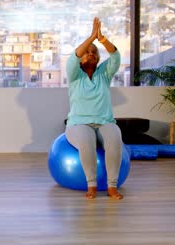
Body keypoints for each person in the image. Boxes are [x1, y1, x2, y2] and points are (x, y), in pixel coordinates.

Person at [65, 17, 124, 200]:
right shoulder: (74, 75)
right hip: (78, 123)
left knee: (115, 139)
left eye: (94, 52)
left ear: (98, 58)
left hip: (105, 122)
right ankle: (91, 185)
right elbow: (74, 56)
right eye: (87, 52)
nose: (91, 53)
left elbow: (116, 56)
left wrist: (102, 39)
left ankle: (112, 186)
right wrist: (91, 38)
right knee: (86, 141)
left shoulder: (104, 74)